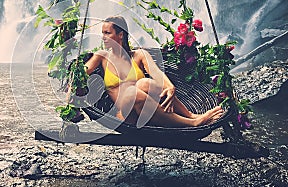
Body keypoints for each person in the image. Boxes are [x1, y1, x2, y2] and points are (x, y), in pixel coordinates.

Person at [84, 16, 223, 128]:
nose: (103, 37)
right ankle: (192, 123)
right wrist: (71, 91)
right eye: (102, 33)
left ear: (120, 35)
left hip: (147, 111)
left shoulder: (139, 55)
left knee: (145, 83)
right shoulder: (102, 56)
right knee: (132, 92)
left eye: (107, 33)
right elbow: (82, 73)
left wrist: (170, 87)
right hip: (127, 117)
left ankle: (191, 115)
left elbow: (157, 74)